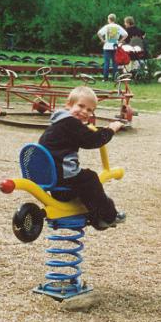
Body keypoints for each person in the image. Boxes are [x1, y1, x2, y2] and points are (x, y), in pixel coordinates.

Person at [38, 86, 126, 230]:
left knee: (83, 180)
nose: (85, 111)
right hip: (63, 175)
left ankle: (88, 209)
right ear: (69, 104)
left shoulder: (59, 122)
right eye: (81, 106)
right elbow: (93, 141)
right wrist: (111, 129)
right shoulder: (71, 123)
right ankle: (108, 216)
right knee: (90, 178)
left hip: (51, 175)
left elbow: (82, 134)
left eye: (90, 110)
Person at [96, 14, 127, 81]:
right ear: (114, 19)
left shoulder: (107, 26)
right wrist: (119, 41)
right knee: (115, 63)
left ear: (109, 19)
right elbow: (126, 34)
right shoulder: (118, 27)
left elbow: (99, 33)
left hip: (107, 46)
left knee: (106, 63)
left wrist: (103, 40)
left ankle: (105, 78)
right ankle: (115, 78)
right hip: (115, 47)